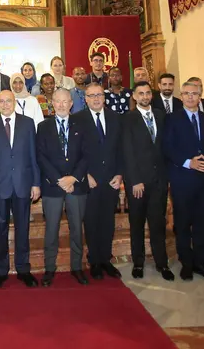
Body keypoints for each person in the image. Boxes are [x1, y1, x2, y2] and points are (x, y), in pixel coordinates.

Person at [162, 82, 204, 282]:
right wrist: (189, 163)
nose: (190, 97)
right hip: (182, 179)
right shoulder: (171, 119)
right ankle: (186, 263)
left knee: (200, 223)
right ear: (181, 96)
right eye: (186, 93)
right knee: (182, 222)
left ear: (200, 95)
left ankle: (200, 263)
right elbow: (168, 148)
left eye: (194, 93)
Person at [0, 90, 40, 288]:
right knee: (0, 229)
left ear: (15, 102)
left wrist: (36, 183)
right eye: (2, 101)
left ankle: (23, 269)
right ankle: (1, 270)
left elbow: (34, 156)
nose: (5, 104)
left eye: (9, 101)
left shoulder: (27, 123)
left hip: (23, 184)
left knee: (23, 228)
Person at [36, 89, 88, 286]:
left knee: (76, 228)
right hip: (52, 186)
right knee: (51, 229)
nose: (61, 105)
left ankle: (77, 267)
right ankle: (50, 268)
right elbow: (40, 156)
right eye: (57, 101)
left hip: (76, 186)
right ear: (52, 104)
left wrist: (73, 177)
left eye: (65, 101)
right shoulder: (43, 126)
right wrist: (59, 179)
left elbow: (86, 154)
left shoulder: (82, 125)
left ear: (71, 103)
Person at [70, 83, 123, 280]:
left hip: (111, 180)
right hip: (89, 180)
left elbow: (121, 149)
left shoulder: (116, 118)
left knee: (108, 221)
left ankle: (106, 259)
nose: (96, 99)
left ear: (104, 96)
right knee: (91, 221)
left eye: (99, 95)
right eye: (91, 96)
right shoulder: (77, 119)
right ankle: (94, 261)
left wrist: (119, 174)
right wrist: (85, 175)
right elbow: (74, 152)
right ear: (85, 99)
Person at [122, 82, 174, 281]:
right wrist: (134, 180)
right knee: (136, 224)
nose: (144, 97)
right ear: (134, 96)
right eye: (140, 93)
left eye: (147, 93)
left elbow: (166, 147)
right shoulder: (127, 119)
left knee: (158, 224)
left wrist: (166, 177)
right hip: (138, 183)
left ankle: (162, 263)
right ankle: (138, 262)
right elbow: (127, 151)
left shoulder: (161, 116)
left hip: (159, 181)